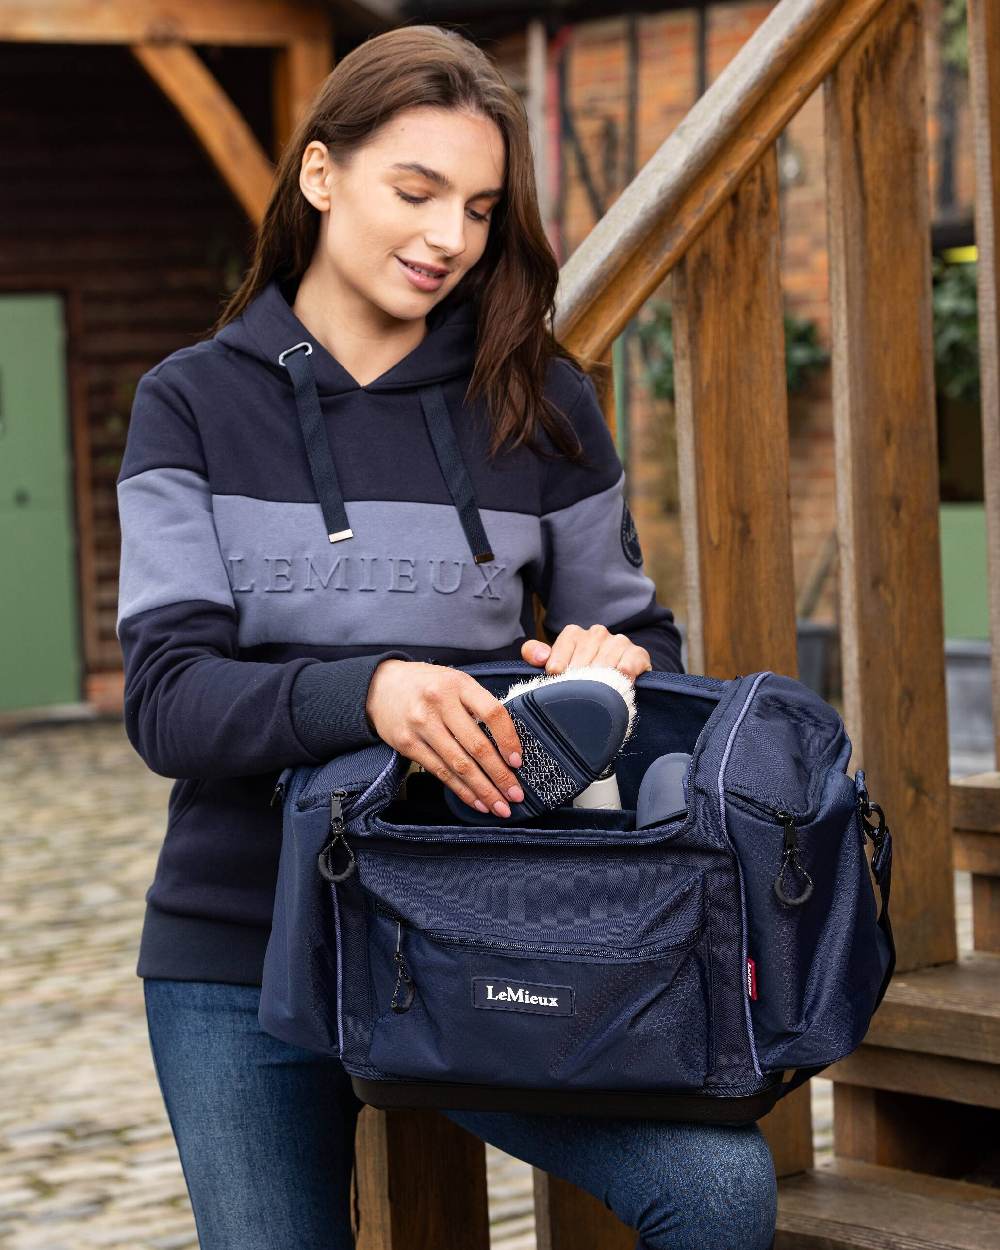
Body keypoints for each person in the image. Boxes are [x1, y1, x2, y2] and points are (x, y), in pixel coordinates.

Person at [117, 22, 777, 1250]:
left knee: (717, 1189)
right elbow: (167, 699)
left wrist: (612, 663)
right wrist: (368, 691)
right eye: (415, 192)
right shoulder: (191, 401)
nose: (448, 239)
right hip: (236, 937)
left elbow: (641, 635)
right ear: (322, 174)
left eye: (477, 208)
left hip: (476, 922)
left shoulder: (539, 399)